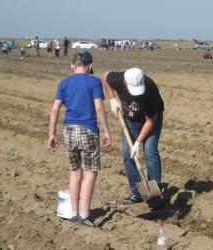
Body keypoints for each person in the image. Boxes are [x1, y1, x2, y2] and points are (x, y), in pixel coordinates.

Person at [48, 51, 111, 227]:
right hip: (88, 130)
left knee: (75, 172)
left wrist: (52, 134)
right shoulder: (94, 81)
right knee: (89, 173)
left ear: (72, 66)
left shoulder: (64, 83)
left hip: (68, 130)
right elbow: (99, 108)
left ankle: (74, 213)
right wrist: (107, 132)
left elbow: (54, 110)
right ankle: (84, 215)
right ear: (90, 66)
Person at [101, 68, 164, 205]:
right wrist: (112, 99)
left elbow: (150, 121)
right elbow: (105, 77)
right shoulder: (117, 79)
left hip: (151, 119)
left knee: (150, 151)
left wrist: (138, 143)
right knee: (126, 153)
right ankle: (137, 193)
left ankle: (155, 193)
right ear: (125, 82)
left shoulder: (150, 89)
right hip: (130, 119)